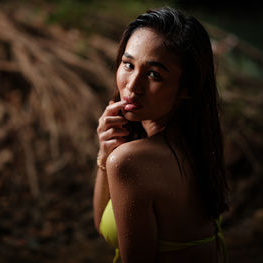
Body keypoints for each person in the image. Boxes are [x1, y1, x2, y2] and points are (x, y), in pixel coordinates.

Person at [93, 6, 229, 263]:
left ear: (187, 87)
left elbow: (105, 231)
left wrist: (111, 158)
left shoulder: (132, 162)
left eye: (154, 74)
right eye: (128, 65)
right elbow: (104, 226)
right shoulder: (202, 142)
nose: (133, 86)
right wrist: (105, 153)